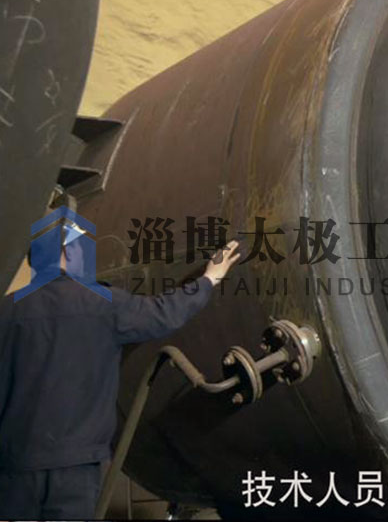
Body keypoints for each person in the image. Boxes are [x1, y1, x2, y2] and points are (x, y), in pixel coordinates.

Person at [0, 222, 240, 519]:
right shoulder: (102, 304)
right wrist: (208, 280)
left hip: (14, 465)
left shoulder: (6, 311)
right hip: (75, 466)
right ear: (68, 254)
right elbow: (163, 313)